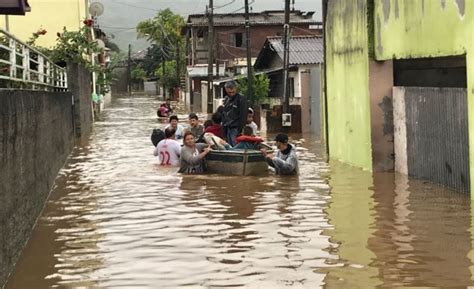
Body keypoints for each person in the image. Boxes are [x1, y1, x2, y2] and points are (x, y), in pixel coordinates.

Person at [222, 80, 248, 146]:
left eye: (232, 92)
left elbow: (243, 116)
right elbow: (224, 115)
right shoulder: (226, 100)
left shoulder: (241, 99)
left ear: (236, 89)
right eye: (229, 92)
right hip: (228, 127)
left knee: (236, 146)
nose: (231, 94)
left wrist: (240, 130)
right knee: (230, 146)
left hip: (236, 128)